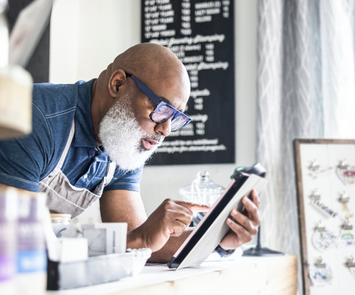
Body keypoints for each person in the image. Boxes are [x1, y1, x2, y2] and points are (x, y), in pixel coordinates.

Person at [0, 43, 260, 262]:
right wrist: (139, 238)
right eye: (160, 109)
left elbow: (140, 241)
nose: (165, 130)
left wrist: (221, 239)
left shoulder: (122, 140)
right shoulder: (34, 118)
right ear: (118, 83)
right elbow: (17, 241)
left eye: (176, 118)